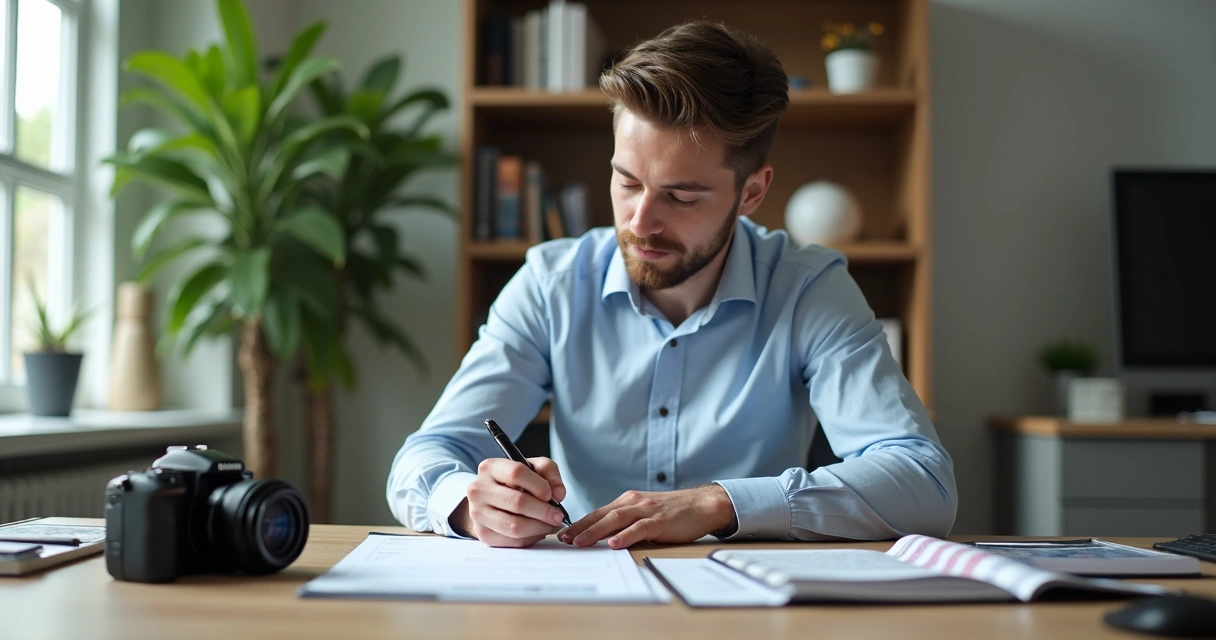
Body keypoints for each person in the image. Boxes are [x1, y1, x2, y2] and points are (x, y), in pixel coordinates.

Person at [387, 21, 956, 549]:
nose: (640, 223)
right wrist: (469, 505)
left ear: (752, 193)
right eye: (627, 182)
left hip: (745, 600)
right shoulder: (550, 285)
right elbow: (425, 457)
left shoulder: (809, 289)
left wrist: (719, 504)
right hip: (581, 589)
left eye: (681, 197)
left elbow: (924, 481)